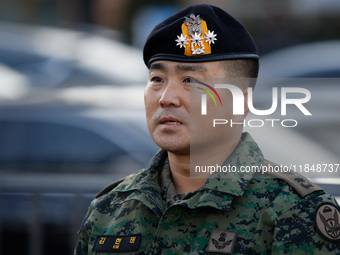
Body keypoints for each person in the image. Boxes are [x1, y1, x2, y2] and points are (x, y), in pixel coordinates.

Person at [74, 4, 340, 254]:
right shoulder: (110, 208)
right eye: (157, 79)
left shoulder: (293, 211)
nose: (167, 97)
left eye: (190, 80)